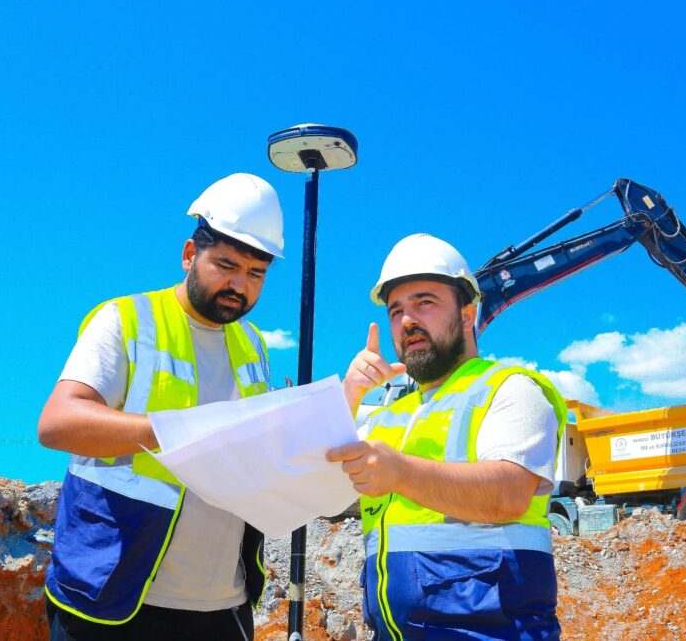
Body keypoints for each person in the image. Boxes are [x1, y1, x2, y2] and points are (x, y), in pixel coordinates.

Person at [38, 173, 285, 640]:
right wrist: (179, 431)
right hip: (114, 600)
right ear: (190, 255)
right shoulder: (126, 319)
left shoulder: (253, 345)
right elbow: (58, 422)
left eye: (256, 274)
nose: (240, 285)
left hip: (222, 605)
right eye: (227, 265)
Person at [327, 233, 567, 640]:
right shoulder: (387, 417)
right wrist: (347, 395)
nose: (407, 321)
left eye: (425, 302)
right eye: (396, 310)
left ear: (468, 315)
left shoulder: (510, 389)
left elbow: (508, 494)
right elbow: (316, 493)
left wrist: (400, 472)